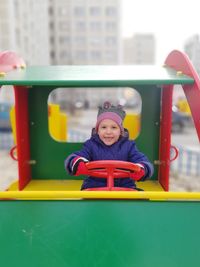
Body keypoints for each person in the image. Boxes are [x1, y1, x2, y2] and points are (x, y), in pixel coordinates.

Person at [65, 101, 154, 190]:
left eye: (114, 127)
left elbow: (143, 161)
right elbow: (75, 157)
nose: (108, 132)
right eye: (103, 127)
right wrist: (77, 163)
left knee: (142, 198)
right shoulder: (91, 145)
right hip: (95, 189)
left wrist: (142, 169)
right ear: (98, 130)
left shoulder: (129, 146)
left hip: (124, 189)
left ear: (121, 131)